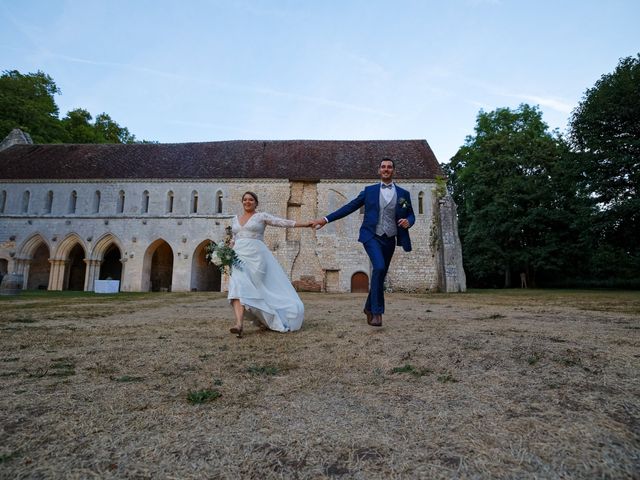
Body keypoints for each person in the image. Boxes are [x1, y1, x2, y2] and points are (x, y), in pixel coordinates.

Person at [311, 158, 415, 327]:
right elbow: (350, 207)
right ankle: (376, 312)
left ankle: (368, 307)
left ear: (393, 170)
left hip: (390, 238)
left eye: (389, 167)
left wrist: (409, 221)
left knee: (380, 274)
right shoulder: (369, 191)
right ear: (379, 170)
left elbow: (411, 214)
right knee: (379, 267)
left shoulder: (403, 194)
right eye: (383, 167)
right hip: (371, 236)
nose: (386, 169)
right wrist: (325, 219)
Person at [227, 191, 311, 337]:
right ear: (242, 202)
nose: (247, 202)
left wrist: (305, 224)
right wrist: (227, 251)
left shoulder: (261, 216)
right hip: (238, 256)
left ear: (256, 203)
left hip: (257, 257)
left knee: (261, 289)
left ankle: (270, 316)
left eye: (251, 200)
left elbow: (282, 222)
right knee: (237, 284)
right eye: (245, 200)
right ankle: (239, 324)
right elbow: (234, 238)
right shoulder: (235, 220)